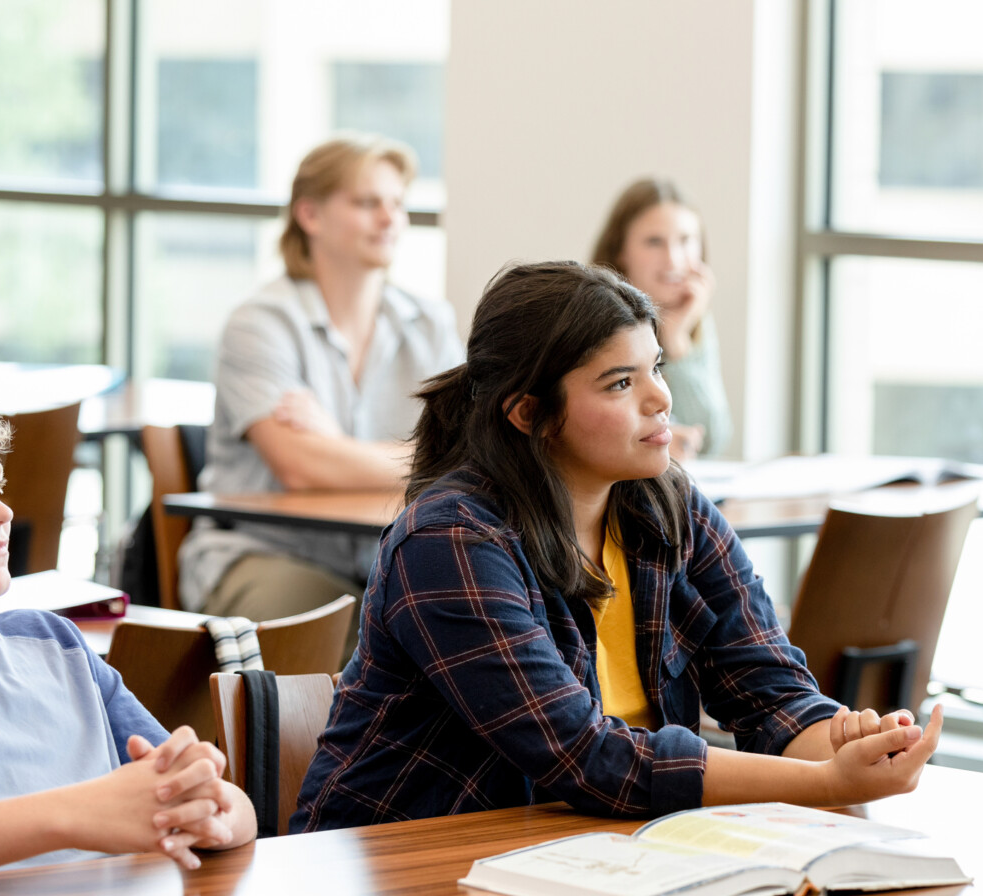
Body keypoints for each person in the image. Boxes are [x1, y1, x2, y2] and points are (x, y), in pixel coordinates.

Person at [292, 262, 940, 831]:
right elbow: (582, 757)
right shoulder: (451, 540)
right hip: (394, 881)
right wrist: (827, 784)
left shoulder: (670, 507)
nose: (661, 397)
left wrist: (848, 746)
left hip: (586, 860)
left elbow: (772, 695)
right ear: (528, 414)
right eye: (619, 383)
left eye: (654, 367)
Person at [0, 363, 256, 888]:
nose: (1, 511)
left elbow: (230, 805)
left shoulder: (52, 643)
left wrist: (207, 807)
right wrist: (72, 815)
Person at [177, 134, 462, 652]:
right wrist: (412, 459)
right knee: (364, 632)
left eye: (396, 204)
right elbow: (302, 467)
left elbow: (469, 457)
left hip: (386, 558)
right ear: (310, 214)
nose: (389, 218)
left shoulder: (431, 324)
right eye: (367, 202)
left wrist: (338, 447)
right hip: (265, 554)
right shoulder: (260, 324)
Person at [593, 178, 732, 458]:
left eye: (685, 241)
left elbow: (711, 439)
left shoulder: (691, 315)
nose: (673, 260)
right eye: (654, 242)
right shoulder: (593, 319)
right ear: (621, 251)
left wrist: (677, 339)